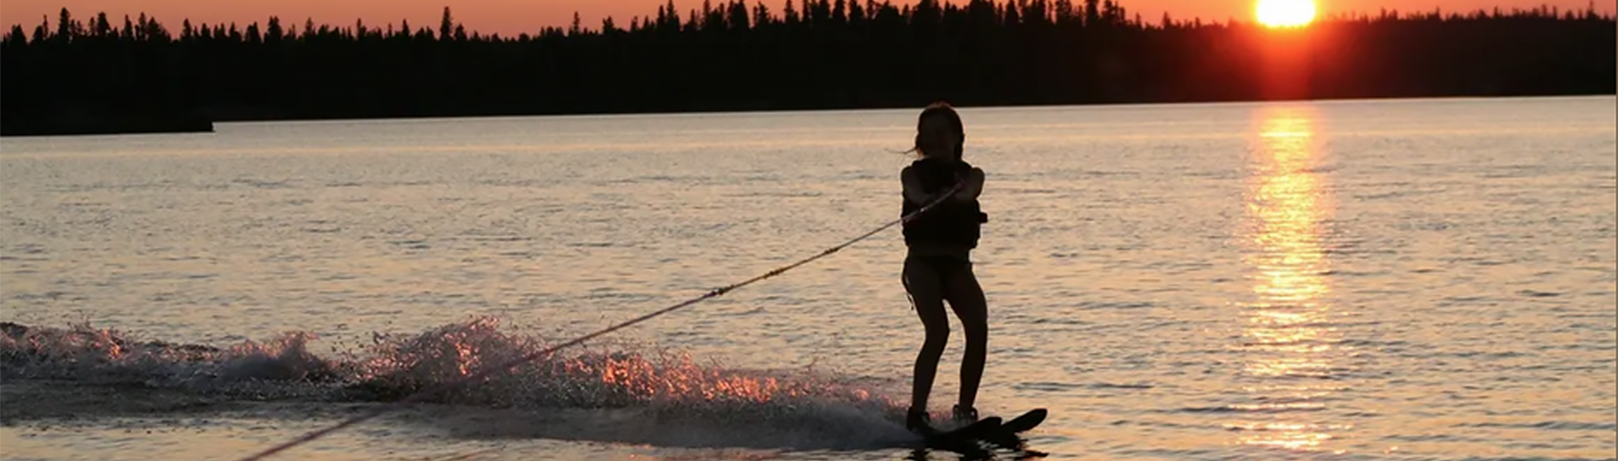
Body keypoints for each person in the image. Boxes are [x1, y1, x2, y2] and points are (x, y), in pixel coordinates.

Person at [899, 102, 990, 433]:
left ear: (957, 137)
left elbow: (971, 194)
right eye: (927, 134)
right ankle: (917, 413)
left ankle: (964, 411)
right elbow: (914, 191)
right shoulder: (911, 174)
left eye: (941, 133)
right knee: (938, 331)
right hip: (922, 262)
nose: (933, 139)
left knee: (978, 328)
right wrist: (924, 200)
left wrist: (959, 194)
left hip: (956, 264)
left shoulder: (972, 175)